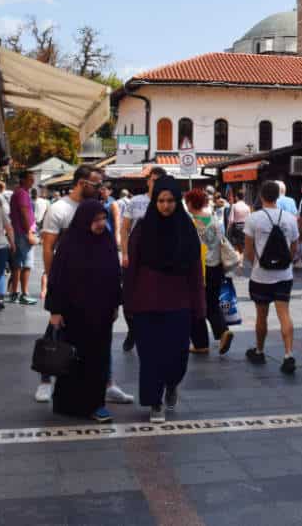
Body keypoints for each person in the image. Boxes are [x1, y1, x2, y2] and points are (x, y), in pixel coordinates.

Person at [37, 165, 132, 407]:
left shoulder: (101, 208)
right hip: (68, 286)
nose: (101, 188)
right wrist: (51, 281)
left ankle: (107, 384)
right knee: (59, 335)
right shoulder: (59, 209)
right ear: (81, 182)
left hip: (96, 294)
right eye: (96, 184)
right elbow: (49, 247)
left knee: (100, 342)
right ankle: (47, 378)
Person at [125, 176, 205, 422]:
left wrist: (199, 306)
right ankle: (154, 402)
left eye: (170, 200)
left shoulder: (186, 229)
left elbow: (194, 270)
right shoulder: (142, 229)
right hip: (146, 302)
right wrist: (128, 301)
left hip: (179, 301)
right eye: (161, 200)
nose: (166, 205)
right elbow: (133, 268)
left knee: (177, 355)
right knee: (149, 356)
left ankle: (172, 384)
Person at [47, 201, 123, 423]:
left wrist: (116, 305)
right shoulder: (69, 244)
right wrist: (55, 310)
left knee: (97, 359)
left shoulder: (107, 240)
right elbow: (57, 279)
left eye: (103, 218)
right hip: (73, 313)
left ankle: (95, 404)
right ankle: (68, 404)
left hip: (100, 312)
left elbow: (114, 274)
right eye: (96, 219)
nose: (101, 224)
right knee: (72, 359)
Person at [243, 180, 299, 375]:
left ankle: (259, 350)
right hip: (284, 275)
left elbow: (248, 250)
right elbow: (294, 247)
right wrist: (286, 262)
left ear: (261, 196)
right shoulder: (290, 218)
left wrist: (257, 264)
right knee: (284, 313)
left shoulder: (254, 218)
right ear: (278, 196)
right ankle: (288, 354)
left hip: (261, 276)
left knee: (261, 315)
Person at [120, 166, 167, 352]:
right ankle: (132, 330)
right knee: (129, 295)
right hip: (134, 255)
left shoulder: (168, 202)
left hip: (158, 258)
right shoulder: (136, 201)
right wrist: (124, 253)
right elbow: (124, 229)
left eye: (159, 181)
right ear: (148, 181)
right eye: (153, 180)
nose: (155, 183)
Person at [185, 187, 234, 356]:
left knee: (195, 306)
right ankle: (223, 332)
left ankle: (200, 343)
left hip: (199, 269)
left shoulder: (191, 223)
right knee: (212, 303)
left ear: (191, 203)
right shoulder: (214, 220)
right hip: (216, 267)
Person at [9, 171, 38, 304]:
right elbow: (24, 213)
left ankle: (14, 293)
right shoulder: (22, 193)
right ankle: (24, 293)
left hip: (20, 232)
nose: (33, 182)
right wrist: (29, 233)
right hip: (23, 233)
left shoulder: (19, 193)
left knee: (18, 264)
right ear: (23, 180)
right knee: (26, 264)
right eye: (30, 179)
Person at [227, 188, 250, 253]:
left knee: (236, 246)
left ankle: (238, 259)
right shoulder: (247, 207)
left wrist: (228, 229)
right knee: (243, 245)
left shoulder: (234, 206)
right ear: (243, 197)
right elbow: (249, 219)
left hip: (236, 228)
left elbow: (231, 220)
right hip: (245, 227)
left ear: (237, 197)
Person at [100, 182, 121, 249]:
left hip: (110, 234)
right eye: (101, 189)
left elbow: (117, 220)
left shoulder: (113, 203)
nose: (102, 191)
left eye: (104, 189)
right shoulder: (102, 202)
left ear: (110, 191)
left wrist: (117, 236)